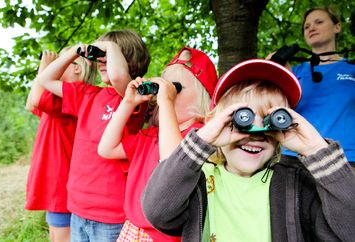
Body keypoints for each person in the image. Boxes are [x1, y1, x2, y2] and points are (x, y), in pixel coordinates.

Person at [142, 59, 355, 242]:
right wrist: (202, 139)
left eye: (271, 121)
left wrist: (317, 150)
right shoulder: (197, 181)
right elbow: (157, 211)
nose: (256, 132)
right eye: (242, 118)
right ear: (213, 122)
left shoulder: (298, 185)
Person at [37, 30, 151, 241]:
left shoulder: (133, 96)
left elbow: (118, 76)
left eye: (106, 56)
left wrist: (109, 46)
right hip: (78, 209)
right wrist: (73, 52)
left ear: (129, 59)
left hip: (110, 215)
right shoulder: (88, 95)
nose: (100, 61)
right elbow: (45, 79)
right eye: (98, 57)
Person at [97, 46, 218, 241]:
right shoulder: (151, 135)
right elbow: (106, 148)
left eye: (175, 87)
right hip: (132, 228)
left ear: (203, 95)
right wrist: (128, 103)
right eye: (164, 87)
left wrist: (166, 102)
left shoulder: (199, 136)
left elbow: (174, 166)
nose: (166, 93)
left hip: (166, 236)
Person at [25, 49, 96, 242]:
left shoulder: (71, 98)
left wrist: (44, 67)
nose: (57, 65)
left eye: (65, 61)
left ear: (78, 70)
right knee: (56, 236)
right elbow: (31, 104)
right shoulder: (57, 99)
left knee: (61, 237)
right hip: (54, 181)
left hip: (61, 182)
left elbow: (35, 99)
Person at [281, 7, 355, 166]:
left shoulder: (352, 69)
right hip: (295, 160)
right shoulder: (294, 71)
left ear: (337, 27)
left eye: (319, 22)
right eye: (306, 26)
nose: (311, 28)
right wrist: (277, 74)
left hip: (346, 158)